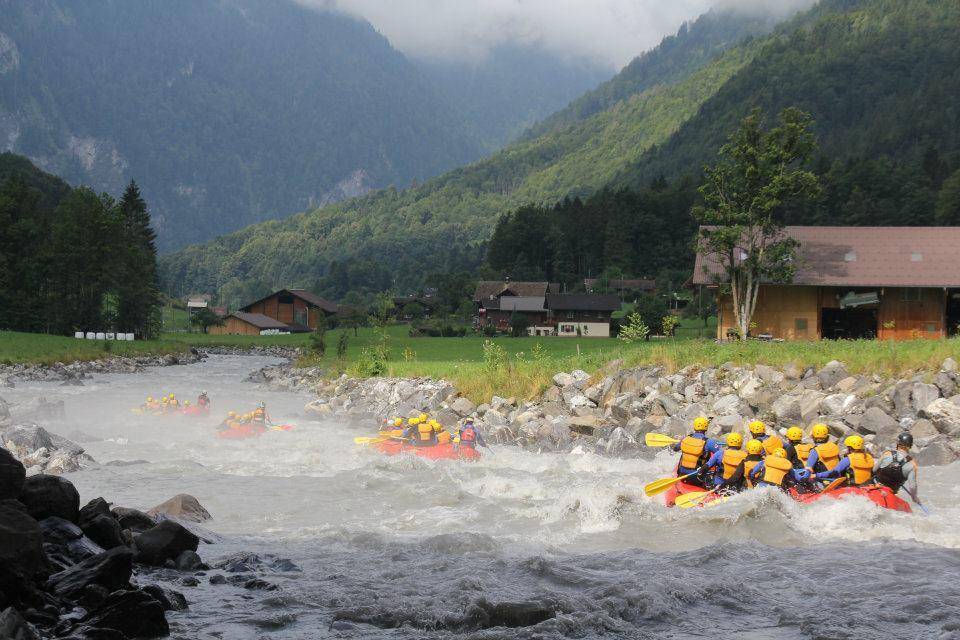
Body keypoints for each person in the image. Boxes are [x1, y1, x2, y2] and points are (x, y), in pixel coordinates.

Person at [875, 432, 926, 512]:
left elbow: (874, 470)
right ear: (910, 446)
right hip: (891, 493)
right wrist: (914, 498)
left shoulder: (887, 454)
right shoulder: (912, 465)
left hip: (876, 488)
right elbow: (912, 487)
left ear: (898, 443)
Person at [672, 417, 713, 486]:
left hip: (681, 474)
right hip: (697, 477)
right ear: (706, 428)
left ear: (694, 427)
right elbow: (721, 456)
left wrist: (681, 441)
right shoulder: (709, 442)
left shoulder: (686, 439)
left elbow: (675, 449)